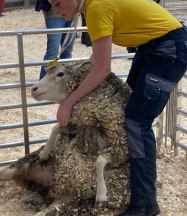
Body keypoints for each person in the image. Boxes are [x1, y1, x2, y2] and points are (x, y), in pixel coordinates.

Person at [47, 0, 187, 215]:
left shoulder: (97, 8)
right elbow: (97, 58)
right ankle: (127, 187)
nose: (54, 9)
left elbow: (102, 68)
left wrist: (68, 102)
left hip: (168, 48)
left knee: (137, 121)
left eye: (57, 2)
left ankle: (144, 205)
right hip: (151, 45)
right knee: (124, 107)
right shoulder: (91, 6)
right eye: (51, 4)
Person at [35, 0, 75, 80]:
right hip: (54, 13)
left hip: (72, 11)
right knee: (53, 50)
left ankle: (64, 81)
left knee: (67, 50)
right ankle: (44, 80)